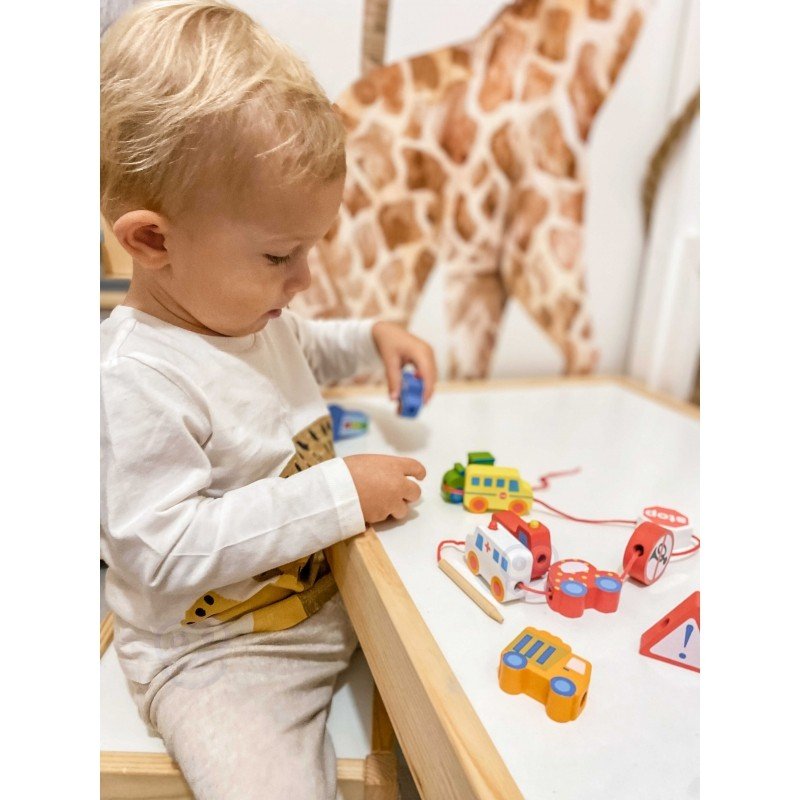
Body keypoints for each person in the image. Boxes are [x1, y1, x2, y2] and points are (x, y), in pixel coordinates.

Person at [100, 2, 436, 797]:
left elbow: (303, 346)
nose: (304, 280)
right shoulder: (134, 379)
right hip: (219, 656)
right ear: (152, 242)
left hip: (326, 595)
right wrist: (339, 492)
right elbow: (165, 551)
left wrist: (373, 336)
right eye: (282, 255)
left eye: (309, 250)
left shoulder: (245, 310)